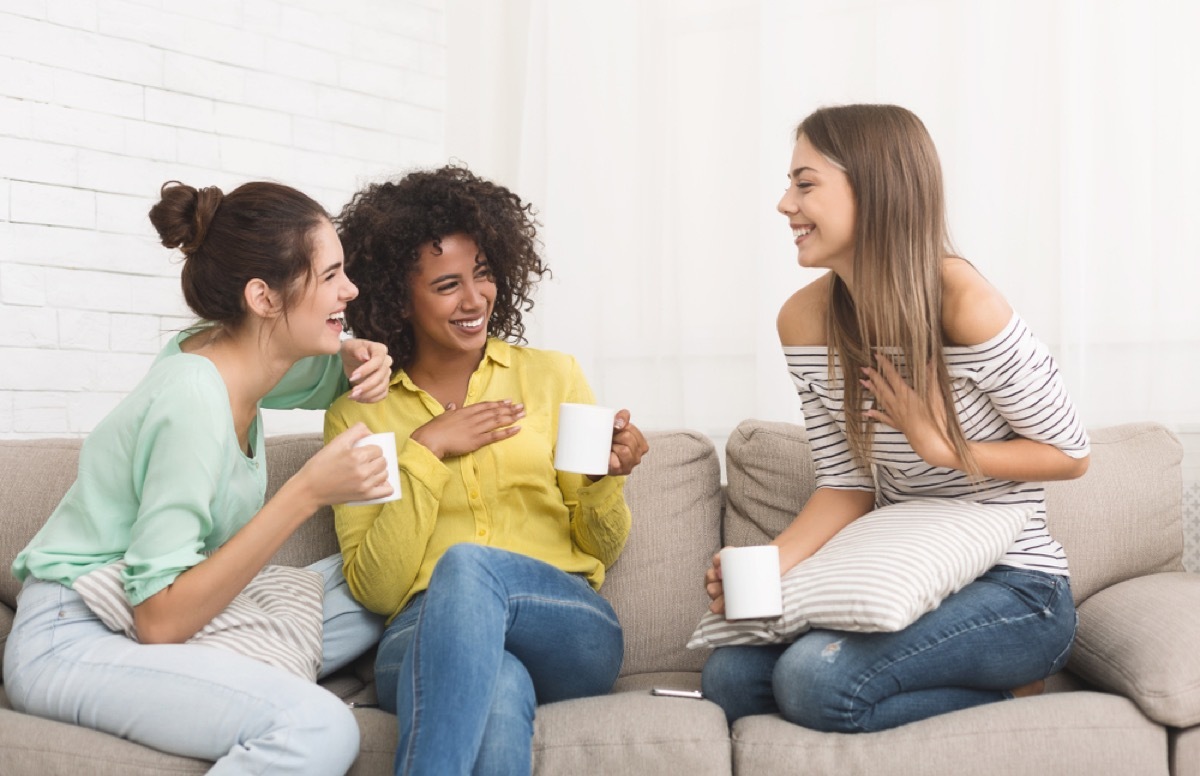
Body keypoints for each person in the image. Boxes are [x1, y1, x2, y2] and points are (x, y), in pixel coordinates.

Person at [701, 104, 1091, 733]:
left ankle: (1016, 694)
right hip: (904, 572)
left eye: (805, 184)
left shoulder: (966, 303)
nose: (784, 204)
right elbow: (846, 483)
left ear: (875, 189)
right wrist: (771, 562)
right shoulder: (802, 321)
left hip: (1015, 588)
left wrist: (942, 450)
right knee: (729, 678)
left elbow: (1072, 454)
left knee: (811, 679)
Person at [5, 180, 397, 774]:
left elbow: (326, 374)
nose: (351, 289)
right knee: (317, 726)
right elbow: (158, 621)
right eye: (330, 275)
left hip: (150, 611)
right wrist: (307, 492)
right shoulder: (192, 397)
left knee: (385, 569)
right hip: (77, 634)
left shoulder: (222, 352)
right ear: (263, 297)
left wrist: (363, 360)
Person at [328, 164, 650, 775]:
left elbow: (600, 544)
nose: (475, 299)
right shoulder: (358, 417)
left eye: (483, 274)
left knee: (469, 565)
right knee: (496, 687)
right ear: (399, 296)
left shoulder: (552, 377)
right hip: (419, 631)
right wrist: (425, 449)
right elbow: (377, 588)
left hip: (564, 623)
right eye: (447, 284)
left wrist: (608, 480)